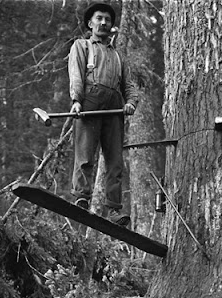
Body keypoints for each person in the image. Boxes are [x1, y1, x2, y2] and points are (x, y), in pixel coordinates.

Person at [68, 2, 138, 226]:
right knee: (86, 156)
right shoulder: (82, 46)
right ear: (90, 23)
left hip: (114, 108)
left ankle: (115, 210)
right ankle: (81, 198)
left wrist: (131, 103)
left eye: (107, 20)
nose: (104, 23)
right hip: (89, 102)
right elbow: (76, 74)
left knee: (115, 162)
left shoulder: (118, 57)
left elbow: (129, 86)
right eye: (99, 18)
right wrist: (77, 101)